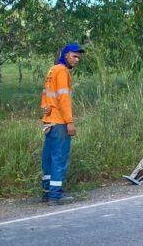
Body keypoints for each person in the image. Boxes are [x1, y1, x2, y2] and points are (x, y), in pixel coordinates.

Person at [40, 42, 85, 205]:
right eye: (74, 56)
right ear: (65, 55)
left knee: (48, 159)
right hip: (59, 123)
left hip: (49, 122)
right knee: (59, 159)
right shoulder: (62, 71)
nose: (77, 60)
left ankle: (46, 192)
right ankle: (55, 196)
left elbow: (45, 97)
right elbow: (63, 99)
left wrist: (46, 114)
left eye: (78, 57)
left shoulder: (52, 70)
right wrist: (70, 122)